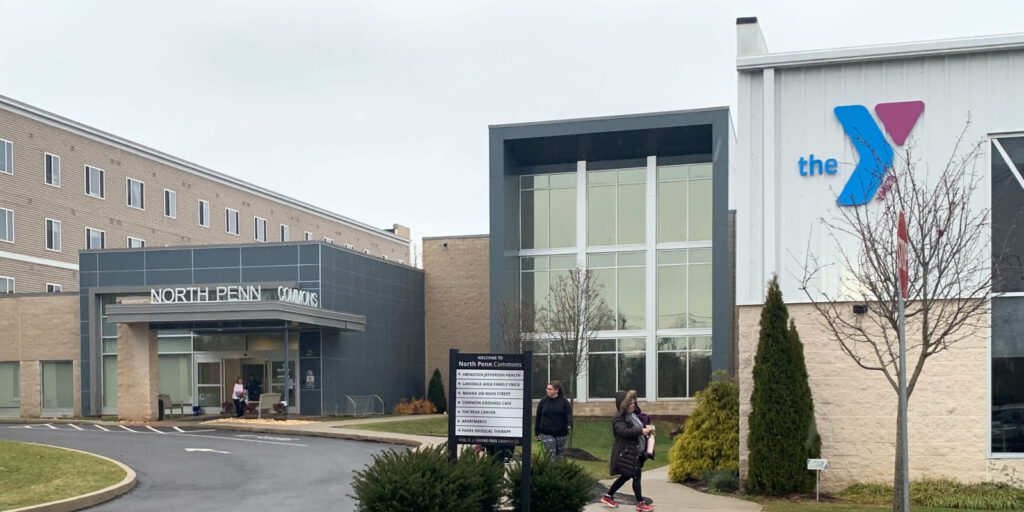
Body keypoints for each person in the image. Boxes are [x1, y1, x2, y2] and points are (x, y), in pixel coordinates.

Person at [600, 390, 654, 511]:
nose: (633, 405)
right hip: (626, 452)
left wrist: (647, 430)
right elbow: (622, 432)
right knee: (636, 476)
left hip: (636, 452)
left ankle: (608, 496)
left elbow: (639, 426)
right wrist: (641, 431)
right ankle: (640, 503)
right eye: (630, 403)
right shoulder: (618, 418)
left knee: (626, 476)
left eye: (634, 403)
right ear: (624, 405)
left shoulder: (634, 415)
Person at [535, 380, 573, 459]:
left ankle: (558, 470)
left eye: (550, 389)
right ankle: (549, 469)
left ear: (556, 390)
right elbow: (538, 417)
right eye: (547, 389)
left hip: (561, 432)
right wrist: (537, 432)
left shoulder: (564, 402)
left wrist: (569, 424)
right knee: (550, 454)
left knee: (559, 455)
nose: (547, 391)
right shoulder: (543, 402)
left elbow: (569, 414)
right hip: (546, 432)